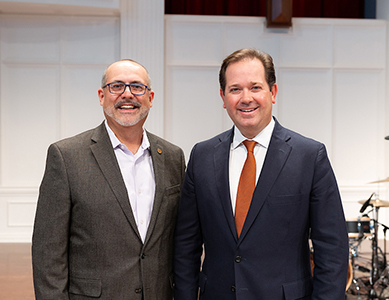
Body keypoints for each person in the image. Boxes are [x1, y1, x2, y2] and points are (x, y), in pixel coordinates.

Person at [173, 48, 349, 300]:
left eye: (255, 87)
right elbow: (185, 247)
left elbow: (332, 248)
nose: (246, 98)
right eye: (235, 89)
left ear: (273, 92)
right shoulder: (202, 156)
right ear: (223, 98)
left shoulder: (309, 156)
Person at [32, 59, 185, 300]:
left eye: (137, 87)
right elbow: (48, 252)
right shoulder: (66, 156)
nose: (127, 94)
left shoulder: (173, 157)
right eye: (116, 87)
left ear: (150, 97)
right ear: (102, 96)